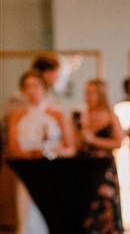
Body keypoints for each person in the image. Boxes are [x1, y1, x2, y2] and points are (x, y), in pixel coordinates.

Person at [6, 70, 75, 234]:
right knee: (27, 213)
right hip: (26, 171)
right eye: (27, 87)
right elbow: (13, 147)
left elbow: (71, 148)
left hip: (52, 171)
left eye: (35, 86)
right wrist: (31, 155)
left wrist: (55, 152)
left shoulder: (57, 114)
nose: (32, 90)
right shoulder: (17, 115)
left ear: (43, 87)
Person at [76, 78, 123, 233]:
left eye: (92, 93)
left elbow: (118, 142)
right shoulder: (82, 115)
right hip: (85, 166)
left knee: (105, 203)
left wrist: (93, 140)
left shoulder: (110, 116)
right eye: (86, 93)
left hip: (104, 167)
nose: (88, 96)